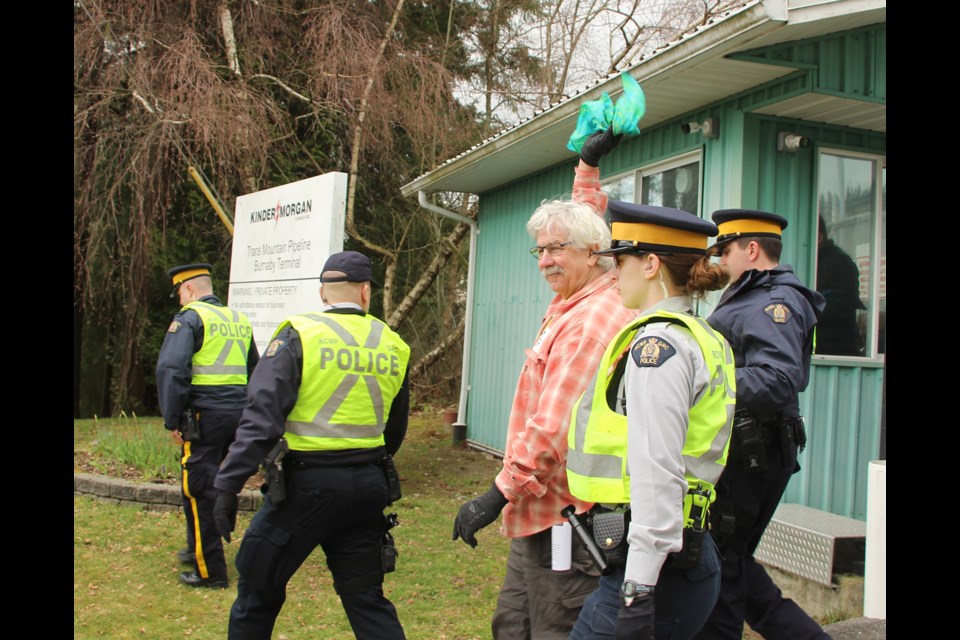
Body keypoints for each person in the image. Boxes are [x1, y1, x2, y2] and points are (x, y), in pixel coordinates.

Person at [452, 130, 641, 639]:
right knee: (512, 625)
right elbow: (582, 222)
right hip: (539, 511)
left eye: (555, 250)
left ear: (593, 251)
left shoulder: (592, 320)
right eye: (539, 251)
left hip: (568, 517)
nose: (545, 261)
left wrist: (495, 495)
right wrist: (587, 166)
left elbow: (555, 425)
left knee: (553, 629)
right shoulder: (583, 286)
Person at [212, 250, 412, 640]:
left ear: (323, 292)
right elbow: (395, 431)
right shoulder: (394, 345)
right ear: (366, 291)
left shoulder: (299, 334)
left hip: (307, 488)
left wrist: (227, 484)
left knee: (257, 591)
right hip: (368, 488)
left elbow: (261, 421)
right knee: (367, 600)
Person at [565, 200, 737, 640]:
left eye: (620, 260)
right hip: (680, 555)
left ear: (651, 264)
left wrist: (638, 589)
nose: (613, 272)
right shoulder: (701, 335)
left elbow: (657, 472)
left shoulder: (657, 347)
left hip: (657, 571)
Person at [693, 210, 829, 640]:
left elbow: (778, 380)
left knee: (723, 566)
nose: (719, 261)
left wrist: (698, 382)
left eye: (725, 251)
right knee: (732, 562)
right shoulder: (747, 296)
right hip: (748, 447)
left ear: (751, 250)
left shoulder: (774, 302)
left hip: (753, 452)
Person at [156, 262, 259, 588]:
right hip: (238, 414)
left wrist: (173, 418)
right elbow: (255, 370)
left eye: (180, 295)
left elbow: (172, 370)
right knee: (219, 483)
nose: (180, 301)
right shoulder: (238, 320)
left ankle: (209, 571)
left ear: (188, 289)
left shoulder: (190, 319)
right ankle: (195, 548)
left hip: (205, 416)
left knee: (199, 488)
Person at [815, 216, 865, 356]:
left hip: (836, 348)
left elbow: (842, 305)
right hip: (820, 345)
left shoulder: (840, 262)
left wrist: (810, 309)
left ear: (819, 237)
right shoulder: (815, 260)